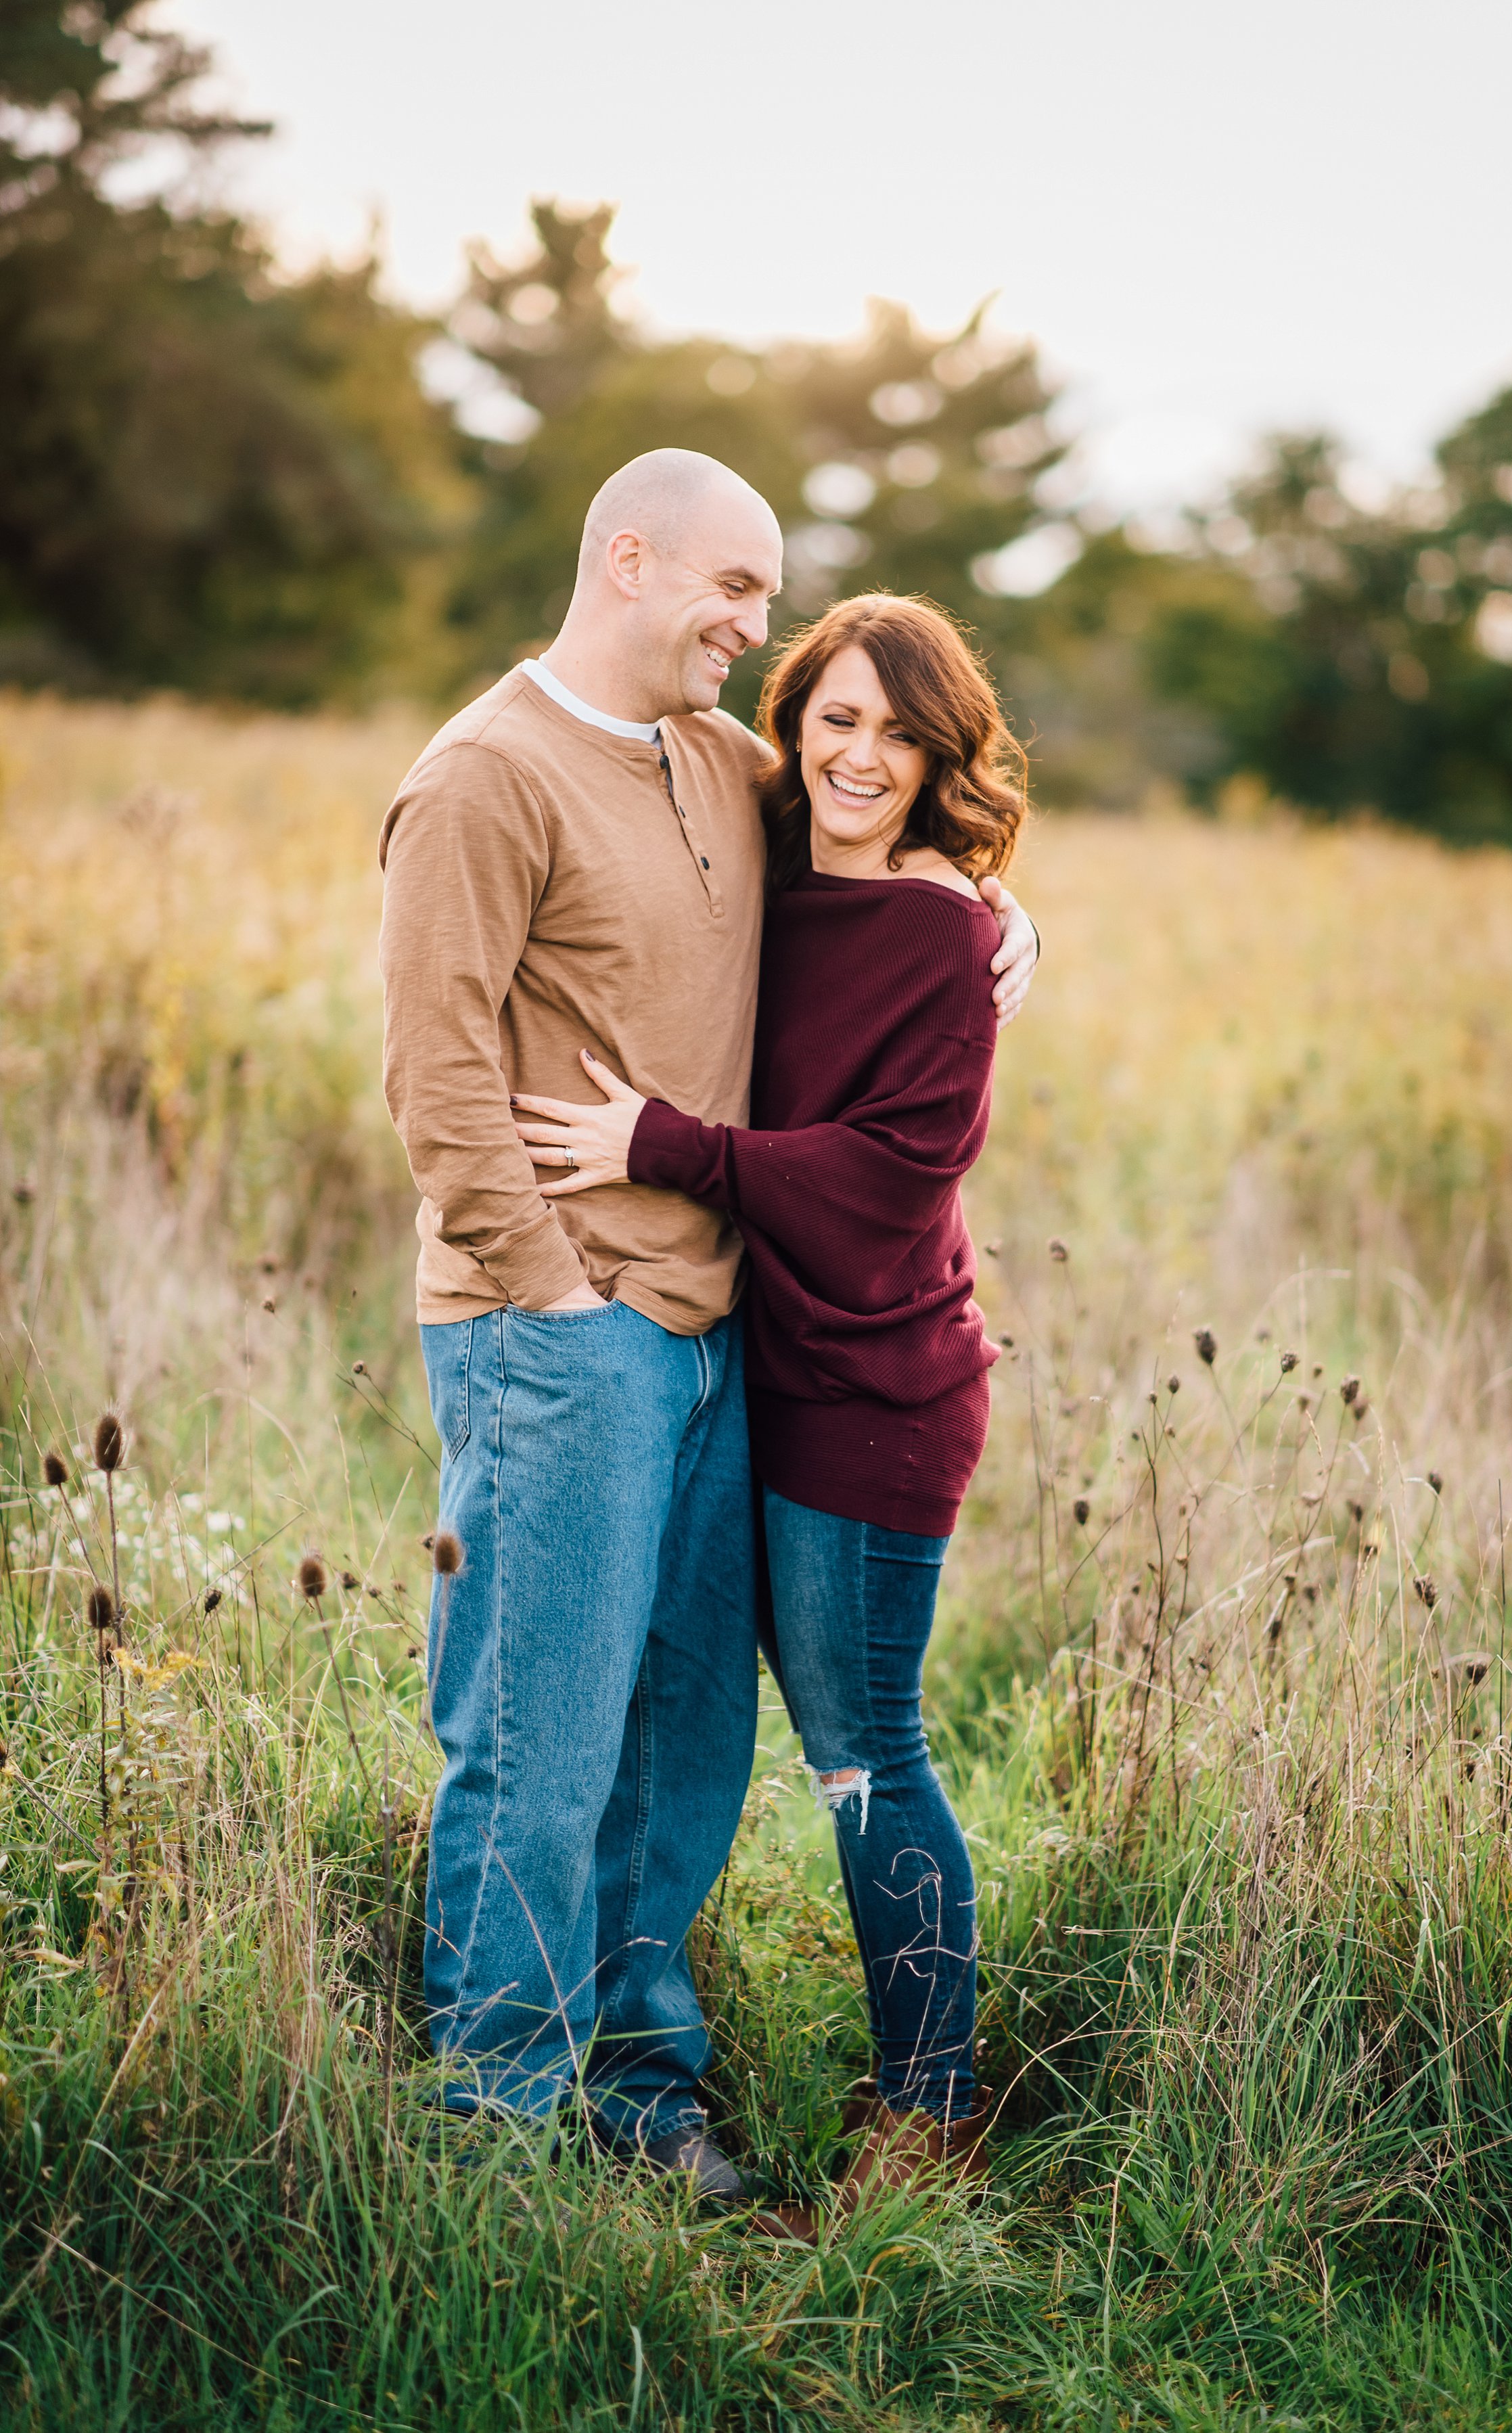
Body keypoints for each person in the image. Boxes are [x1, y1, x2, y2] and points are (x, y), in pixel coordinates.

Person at [377, 451, 1038, 2201]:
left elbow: (885, 829)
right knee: (535, 1732)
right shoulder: (480, 777)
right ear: (630, 555)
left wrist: (999, 915)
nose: (755, 634)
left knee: (686, 1735)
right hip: (562, 1329)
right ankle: (500, 2117)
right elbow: (435, 1078)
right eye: (735, 593)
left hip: (716, 1334)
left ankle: (645, 2077)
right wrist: (553, 1291)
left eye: (769, 605)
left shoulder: (714, 757)